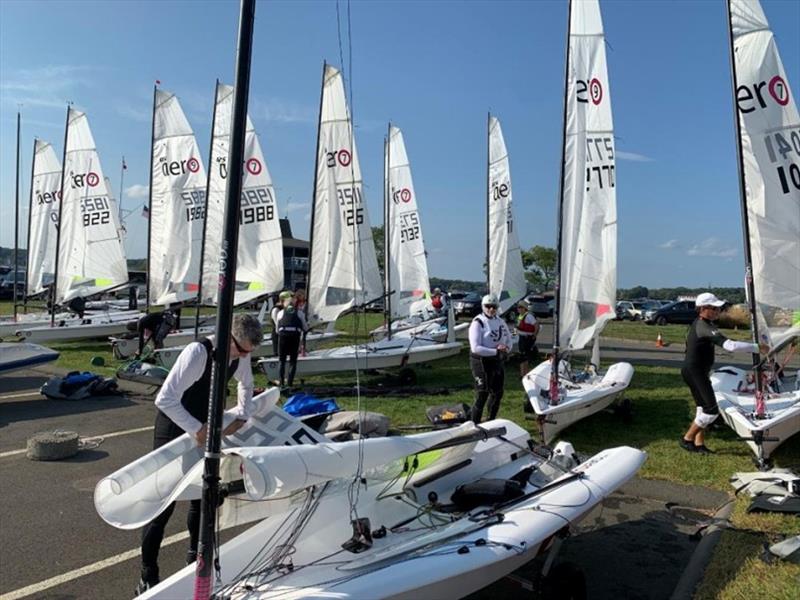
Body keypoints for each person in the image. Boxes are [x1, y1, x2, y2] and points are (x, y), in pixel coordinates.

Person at [135, 313, 263, 595]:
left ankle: (194, 562)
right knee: (163, 507)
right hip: (174, 428)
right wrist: (196, 429)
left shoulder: (239, 354)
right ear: (229, 336)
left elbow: (246, 382)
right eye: (241, 350)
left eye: (248, 353)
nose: (243, 357)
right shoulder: (197, 353)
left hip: (204, 426)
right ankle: (148, 574)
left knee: (200, 499)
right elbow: (165, 399)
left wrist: (243, 413)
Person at [680, 292, 769, 454]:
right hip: (695, 372)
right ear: (702, 309)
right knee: (711, 410)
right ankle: (687, 439)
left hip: (694, 371)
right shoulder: (704, 326)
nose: (717, 311)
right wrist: (756, 347)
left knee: (702, 408)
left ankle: (699, 444)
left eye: (718, 308)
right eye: (713, 308)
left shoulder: (703, 323)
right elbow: (730, 346)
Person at [468, 293, 512, 423]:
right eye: (488, 306)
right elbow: (475, 347)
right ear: (483, 306)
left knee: (497, 393)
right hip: (480, 361)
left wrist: (506, 349)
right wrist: (496, 352)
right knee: (482, 394)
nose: (491, 309)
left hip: (496, 360)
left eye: (494, 307)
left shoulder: (500, 321)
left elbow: (509, 338)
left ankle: (490, 421)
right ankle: (474, 424)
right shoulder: (478, 322)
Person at [276, 297, 308, 388]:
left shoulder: (280, 313)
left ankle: (281, 383)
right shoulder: (300, 313)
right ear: (294, 304)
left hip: (283, 336)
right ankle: (290, 383)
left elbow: (277, 329)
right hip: (294, 337)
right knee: (293, 361)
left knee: (282, 361)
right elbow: (305, 327)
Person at [516, 299, 540, 376]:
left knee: (524, 356)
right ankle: (523, 374)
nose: (518, 309)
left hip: (527, 338)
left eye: (520, 307)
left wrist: (534, 335)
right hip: (522, 338)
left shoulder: (528, 316)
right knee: (523, 356)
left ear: (524, 308)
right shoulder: (520, 316)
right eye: (518, 307)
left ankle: (524, 374)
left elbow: (536, 325)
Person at [270, 291, 293, 357]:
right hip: (278, 335)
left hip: (286, 334)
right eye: (288, 300)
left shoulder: (287, 308)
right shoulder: (276, 310)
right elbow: (277, 324)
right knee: (279, 354)